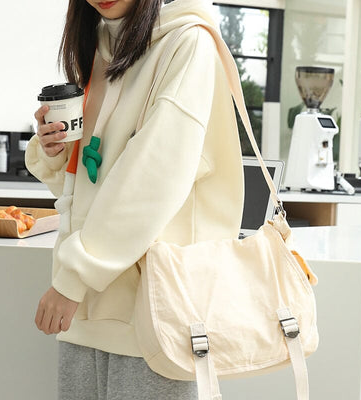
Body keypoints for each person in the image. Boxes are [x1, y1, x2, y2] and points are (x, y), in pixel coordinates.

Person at [25, 0, 243, 398]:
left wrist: (74, 278)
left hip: (155, 315)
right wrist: (56, 149)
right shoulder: (101, 44)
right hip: (87, 313)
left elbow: (151, 180)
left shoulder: (187, 42)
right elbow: (91, 183)